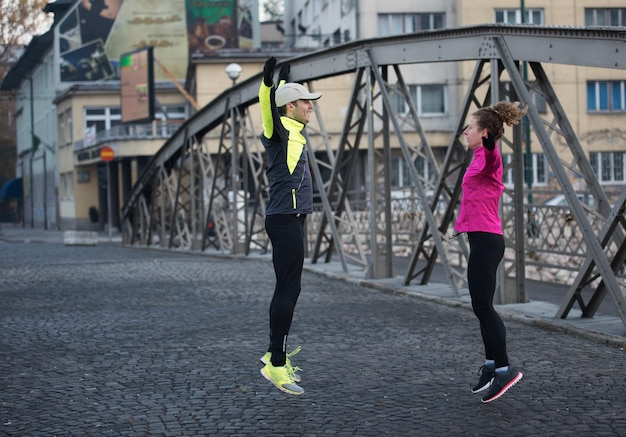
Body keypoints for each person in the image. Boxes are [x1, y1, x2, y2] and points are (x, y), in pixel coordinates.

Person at [456, 101, 528, 403]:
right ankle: (490, 366)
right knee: (479, 305)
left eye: (469, 127)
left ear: (483, 132)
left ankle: (504, 368)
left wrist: (488, 143)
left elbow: (490, 157)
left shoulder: (488, 156)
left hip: (487, 240)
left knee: (484, 306)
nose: (465, 131)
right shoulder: (476, 158)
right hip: (481, 238)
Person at [258, 57, 321, 395]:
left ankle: (274, 353)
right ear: (290, 107)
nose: (311, 107)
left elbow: (279, 102)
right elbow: (268, 109)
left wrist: (285, 82)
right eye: (305, 102)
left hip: (289, 220)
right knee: (288, 290)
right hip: (284, 220)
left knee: (287, 287)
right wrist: (268, 84)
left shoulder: (295, 131)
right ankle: (277, 364)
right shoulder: (279, 131)